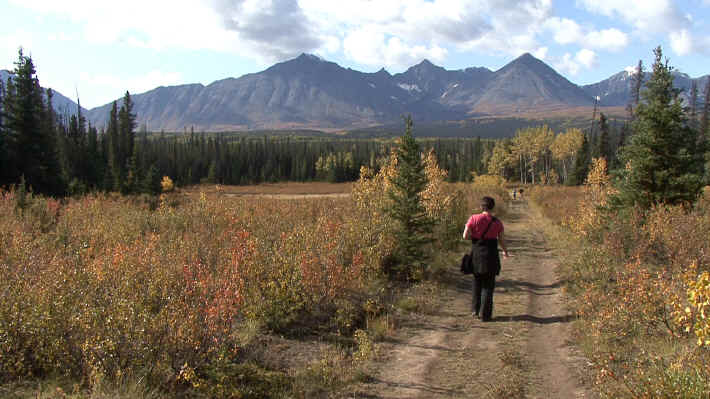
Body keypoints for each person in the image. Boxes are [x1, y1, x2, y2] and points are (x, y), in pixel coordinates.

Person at [462, 196, 510, 322]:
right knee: (488, 285)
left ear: (481, 206)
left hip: (477, 254)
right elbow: (502, 240)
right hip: (491, 255)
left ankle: (474, 310)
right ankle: (486, 314)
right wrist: (505, 252)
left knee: (477, 282)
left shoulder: (473, 218)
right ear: (492, 207)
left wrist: (475, 237)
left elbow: (465, 235)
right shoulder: (497, 222)